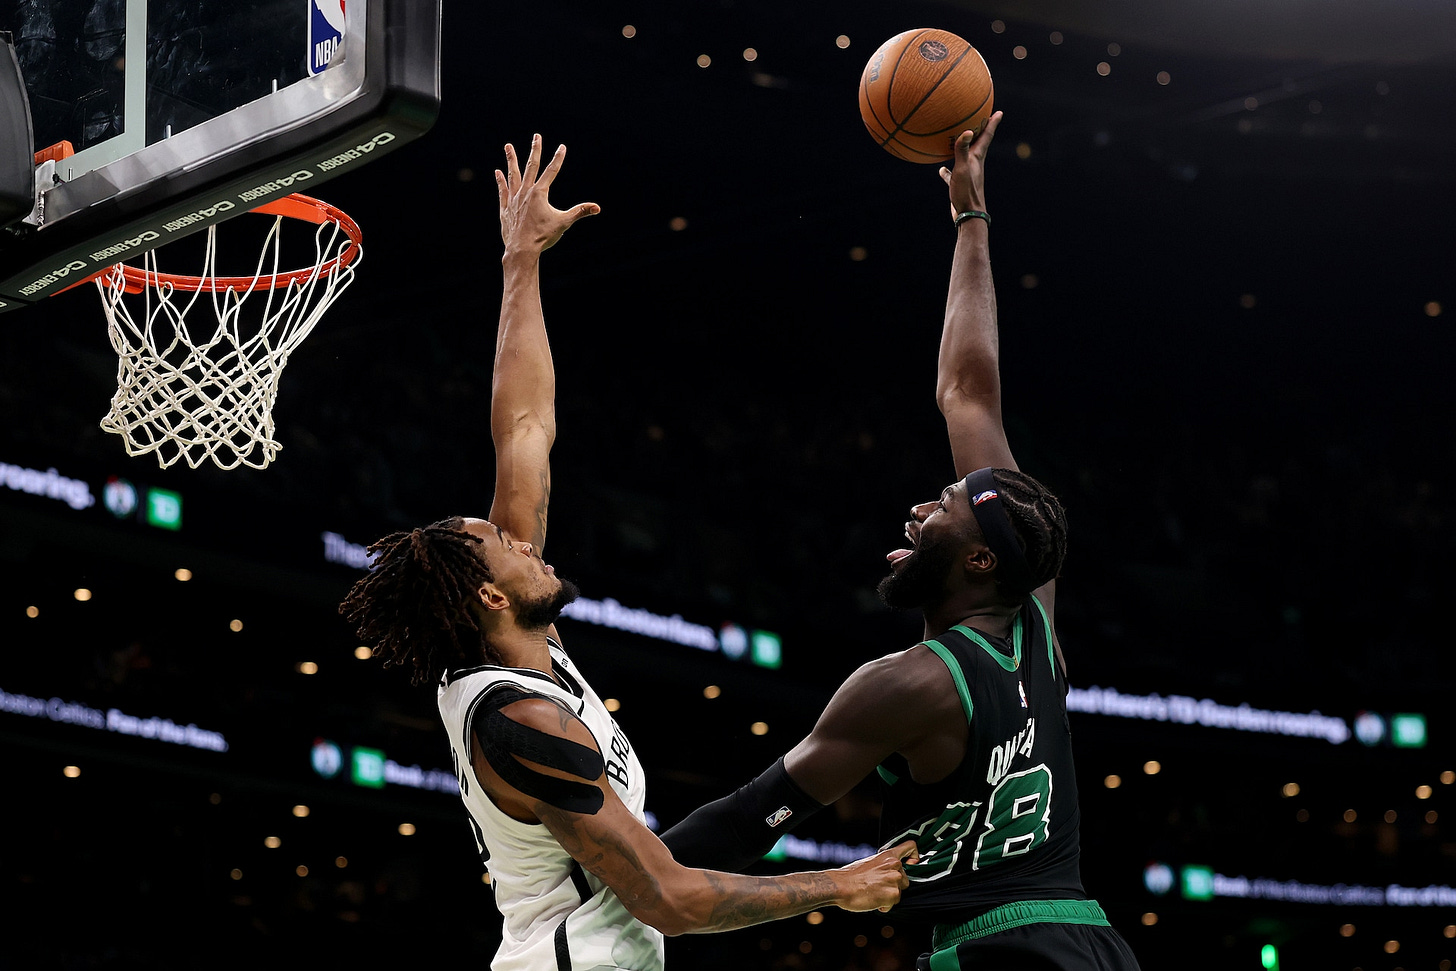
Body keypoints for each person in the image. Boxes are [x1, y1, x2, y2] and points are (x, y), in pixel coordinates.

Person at [337, 134, 916, 971]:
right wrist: (841, 883)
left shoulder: (512, 649)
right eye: (505, 545)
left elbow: (524, 428)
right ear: (491, 598)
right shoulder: (524, 721)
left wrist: (521, 261)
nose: (524, 540)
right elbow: (671, 900)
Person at [660, 113, 1142, 971]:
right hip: (1093, 940)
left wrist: (622, 873)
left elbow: (751, 816)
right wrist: (971, 217)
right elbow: (969, 392)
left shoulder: (909, 682)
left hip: (1000, 949)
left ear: (980, 558)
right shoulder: (1034, 619)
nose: (919, 509)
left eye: (945, 505)